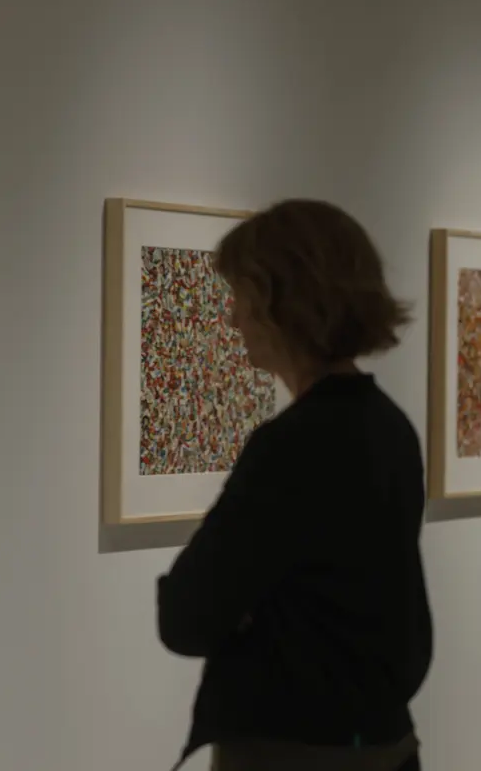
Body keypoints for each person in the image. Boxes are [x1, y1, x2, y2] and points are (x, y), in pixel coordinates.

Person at [156, 199, 432, 771]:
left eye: (242, 297)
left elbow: (188, 613)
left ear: (284, 301)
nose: (233, 319)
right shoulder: (389, 426)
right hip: (383, 743)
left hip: (294, 752)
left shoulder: (293, 445)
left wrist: (251, 613)